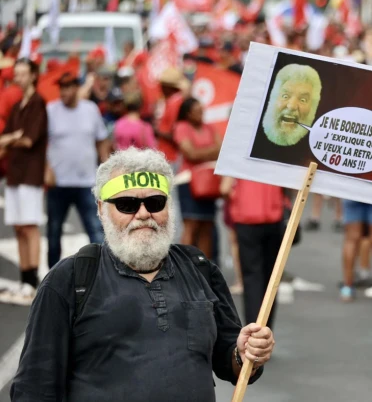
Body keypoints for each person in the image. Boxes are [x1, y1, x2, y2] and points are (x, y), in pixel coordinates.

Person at [10, 148, 274, 401]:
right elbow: (35, 386)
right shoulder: (70, 279)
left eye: (155, 202)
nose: (144, 214)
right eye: (127, 204)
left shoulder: (200, 268)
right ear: (102, 209)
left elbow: (233, 363)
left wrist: (245, 353)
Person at [45, 72, 110, 269]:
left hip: (87, 183)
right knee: (54, 234)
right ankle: (53, 279)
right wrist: (47, 169)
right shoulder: (51, 110)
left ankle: (104, 275)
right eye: (61, 88)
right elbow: (41, 144)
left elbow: (102, 140)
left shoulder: (90, 110)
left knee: (97, 232)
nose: (63, 92)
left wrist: (106, 169)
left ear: (76, 87)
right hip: (59, 183)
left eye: (67, 87)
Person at [0, 58, 48, 305]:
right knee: (18, 227)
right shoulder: (18, 105)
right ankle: (24, 276)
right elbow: (6, 138)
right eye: (15, 74)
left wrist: (10, 139)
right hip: (15, 173)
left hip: (30, 174)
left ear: (32, 75)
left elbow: (29, 139)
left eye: (21, 74)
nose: (16, 78)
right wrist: (12, 138)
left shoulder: (38, 104)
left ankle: (33, 279)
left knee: (29, 226)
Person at [222, 177, 286, 328]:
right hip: (273, 218)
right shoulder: (277, 155)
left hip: (246, 218)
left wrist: (238, 199)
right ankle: (266, 331)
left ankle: (253, 332)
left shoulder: (241, 156)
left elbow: (224, 188)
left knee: (251, 278)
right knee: (271, 279)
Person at [173, 97, 221, 259]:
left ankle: (203, 268)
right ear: (188, 113)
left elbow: (220, 149)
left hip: (208, 183)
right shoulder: (181, 127)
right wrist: (211, 151)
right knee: (191, 225)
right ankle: (183, 266)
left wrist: (200, 153)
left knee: (207, 225)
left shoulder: (210, 127)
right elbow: (190, 153)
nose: (201, 114)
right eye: (197, 111)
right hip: (188, 182)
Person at [250, 64, 322, 165]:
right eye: (285, 96)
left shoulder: (315, 156)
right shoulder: (249, 135)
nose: (292, 106)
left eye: (303, 100)